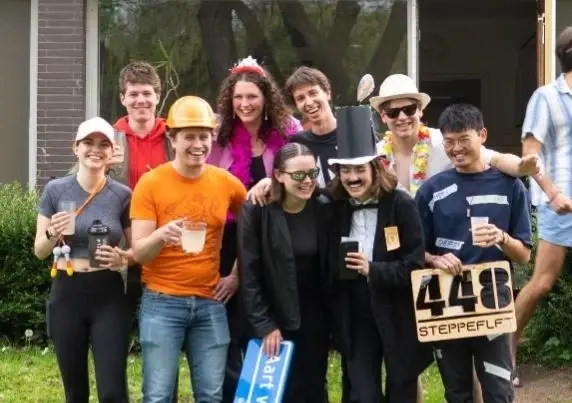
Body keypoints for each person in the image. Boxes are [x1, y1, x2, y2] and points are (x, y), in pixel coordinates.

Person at [130, 95, 247, 403]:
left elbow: (257, 229)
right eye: (189, 137)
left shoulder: (227, 183)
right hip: (161, 302)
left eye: (204, 136)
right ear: (172, 138)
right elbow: (139, 253)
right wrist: (160, 236)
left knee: (211, 395)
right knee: (156, 396)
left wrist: (235, 274)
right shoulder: (151, 183)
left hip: (210, 302)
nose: (198, 144)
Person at [415, 104, 532, 402]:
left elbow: (524, 257)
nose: (456, 149)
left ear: (482, 135)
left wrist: (502, 237)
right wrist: (435, 259)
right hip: (446, 302)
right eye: (449, 142)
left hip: (493, 301)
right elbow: (415, 251)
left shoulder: (512, 187)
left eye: (463, 140)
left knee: (499, 391)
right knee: (457, 392)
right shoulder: (430, 191)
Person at [208, 56, 302, 402]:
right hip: (228, 240)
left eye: (252, 96)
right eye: (238, 98)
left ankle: (277, 391)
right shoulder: (217, 135)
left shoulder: (288, 131)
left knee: (270, 319)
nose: (245, 104)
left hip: (275, 236)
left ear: (266, 97)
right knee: (231, 326)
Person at [325, 105, 432, 403]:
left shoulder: (401, 205)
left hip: (397, 313)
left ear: (375, 168)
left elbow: (414, 266)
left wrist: (372, 269)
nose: (352, 178)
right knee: (364, 394)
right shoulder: (333, 206)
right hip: (355, 315)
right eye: (346, 170)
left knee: (402, 392)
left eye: (359, 169)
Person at [34, 117, 133, 403]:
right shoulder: (56, 190)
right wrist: (53, 230)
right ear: (75, 148)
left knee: (113, 390)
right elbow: (40, 250)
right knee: (75, 391)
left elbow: (135, 251)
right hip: (67, 292)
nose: (95, 150)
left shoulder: (122, 195)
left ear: (111, 152)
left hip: (109, 295)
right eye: (88, 143)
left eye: (103, 144)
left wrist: (121, 259)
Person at [238, 142, 330, 402]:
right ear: (278, 175)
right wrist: (265, 325)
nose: (307, 181)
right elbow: (250, 274)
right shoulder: (257, 209)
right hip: (273, 315)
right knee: (276, 391)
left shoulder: (324, 205)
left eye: (312, 173)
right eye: (299, 175)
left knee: (313, 387)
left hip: (314, 317)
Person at [513, 26, 572, 387]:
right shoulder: (546, 98)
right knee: (543, 283)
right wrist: (553, 195)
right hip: (560, 204)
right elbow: (529, 157)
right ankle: (507, 350)